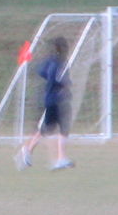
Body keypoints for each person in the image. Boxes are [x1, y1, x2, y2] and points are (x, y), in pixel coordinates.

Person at [16, 37, 75, 171]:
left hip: (53, 99)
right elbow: (56, 77)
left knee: (58, 128)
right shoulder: (58, 62)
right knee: (50, 129)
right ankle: (28, 150)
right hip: (56, 100)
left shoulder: (51, 60)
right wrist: (64, 83)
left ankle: (59, 158)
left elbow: (41, 72)